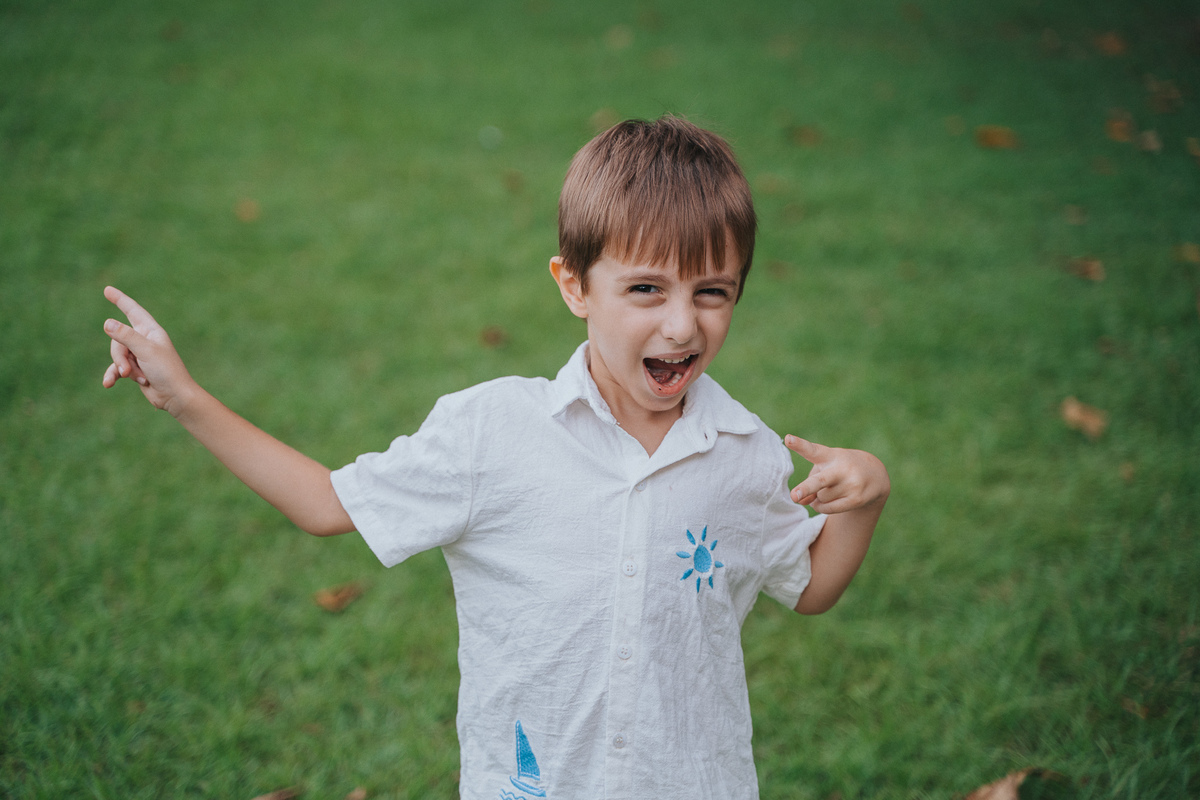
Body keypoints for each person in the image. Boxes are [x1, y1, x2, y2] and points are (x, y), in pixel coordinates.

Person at [102, 115, 889, 799]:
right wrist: (186, 398)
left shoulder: (744, 452)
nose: (682, 326)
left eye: (712, 292)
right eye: (646, 290)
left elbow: (809, 586)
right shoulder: (493, 433)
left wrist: (866, 501)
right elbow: (324, 505)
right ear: (574, 285)